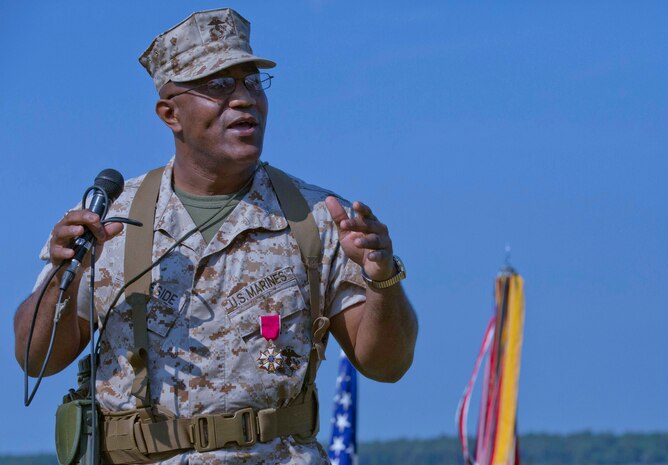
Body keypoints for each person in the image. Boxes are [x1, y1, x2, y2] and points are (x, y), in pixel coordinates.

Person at [14, 7, 417, 465]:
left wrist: (383, 278)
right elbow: (36, 359)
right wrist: (66, 273)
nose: (244, 98)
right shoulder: (109, 221)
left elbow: (386, 364)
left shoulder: (319, 218)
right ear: (170, 113)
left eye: (252, 81)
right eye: (219, 85)